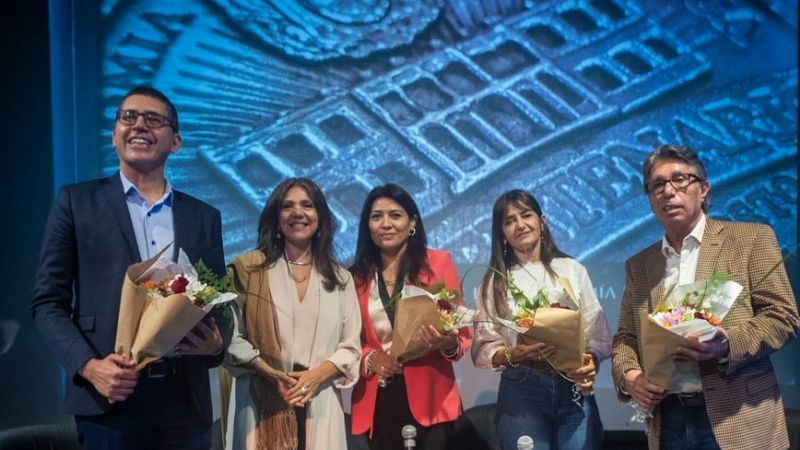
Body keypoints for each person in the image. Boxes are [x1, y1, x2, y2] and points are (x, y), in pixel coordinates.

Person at [31, 86, 229, 449]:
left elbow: (219, 304)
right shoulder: (76, 202)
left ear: (176, 142)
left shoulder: (204, 217)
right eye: (128, 116)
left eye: (154, 119)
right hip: (109, 396)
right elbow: (47, 304)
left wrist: (217, 345)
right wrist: (90, 367)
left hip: (186, 400)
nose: (139, 125)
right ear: (115, 134)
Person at [611, 144, 800, 450]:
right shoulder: (640, 264)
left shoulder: (751, 239)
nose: (668, 191)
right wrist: (629, 375)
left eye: (679, 180)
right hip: (669, 419)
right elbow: (625, 337)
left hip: (740, 416)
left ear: (703, 189)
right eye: (657, 184)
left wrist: (726, 343)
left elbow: (784, 318)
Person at [223, 177, 361, 450]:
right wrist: (272, 373)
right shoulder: (249, 271)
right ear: (276, 218)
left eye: (307, 205)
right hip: (260, 400)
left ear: (320, 218)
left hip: (319, 400)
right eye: (288, 206)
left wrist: (315, 376)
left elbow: (351, 347)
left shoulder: (340, 278)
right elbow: (231, 339)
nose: (298, 213)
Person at [472, 189, 612, 450]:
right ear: (502, 232)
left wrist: (590, 361)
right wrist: (516, 354)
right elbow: (483, 348)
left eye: (526, 215)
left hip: (573, 388)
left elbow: (599, 334)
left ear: (542, 221)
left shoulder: (572, 269)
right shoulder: (494, 282)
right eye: (509, 220)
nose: (520, 224)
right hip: (522, 391)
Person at [349, 183, 472, 450]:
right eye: (376, 216)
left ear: (412, 222)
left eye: (395, 215)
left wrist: (446, 342)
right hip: (379, 398)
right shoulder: (354, 278)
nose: (386, 224)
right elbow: (344, 342)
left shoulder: (438, 264)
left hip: (432, 397)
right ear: (367, 226)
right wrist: (370, 358)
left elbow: (460, 333)